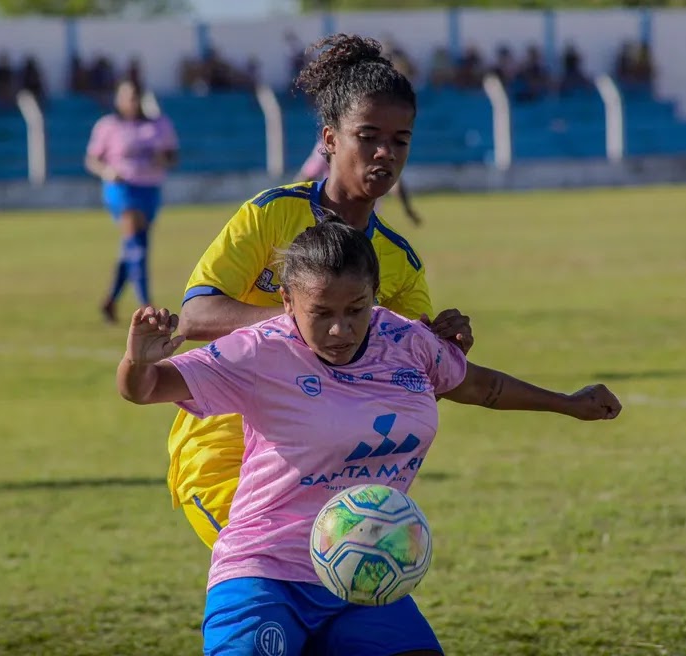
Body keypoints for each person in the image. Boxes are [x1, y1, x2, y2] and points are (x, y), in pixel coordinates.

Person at [118, 219, 622, 656]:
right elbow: (146, 388)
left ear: (375, 295)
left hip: (367, 573)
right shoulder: (258, 351)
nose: (340, 329)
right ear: (288, 301)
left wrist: (567, 402)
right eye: (321, 313)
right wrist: (137, 360)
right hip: (264, 572)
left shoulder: (406, 341)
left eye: (356, 309)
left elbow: (479, 386)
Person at [167, 34, 471, 552]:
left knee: (334, 592)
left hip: (328, 470)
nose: (385, 153)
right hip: (225, 456)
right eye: (368, 137)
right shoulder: (270, 215)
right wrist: (300, 330)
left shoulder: (399, 263)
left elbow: (413, 374)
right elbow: (196, 315)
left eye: (400, 141)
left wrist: (447, 347)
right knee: (270, 573)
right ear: (330, 139)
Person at [85, 78, 179, 323]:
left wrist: (162, 159)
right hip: (122, 189)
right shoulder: (108, 125)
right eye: (127, 97)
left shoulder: (159, 124)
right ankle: (145, 303)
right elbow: (92, 159)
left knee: (133, 245)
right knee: (137, 242)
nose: (132, 102)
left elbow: (172, 156)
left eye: (135, 96)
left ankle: (111, 300)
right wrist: (107, 171)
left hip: (149, 190)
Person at [297, 137, 423, 227]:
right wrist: (408, 210)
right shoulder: (376, 149)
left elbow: (307, 175)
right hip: (359, 220)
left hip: (339, 216)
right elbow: (308, 175)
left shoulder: (330, 143)